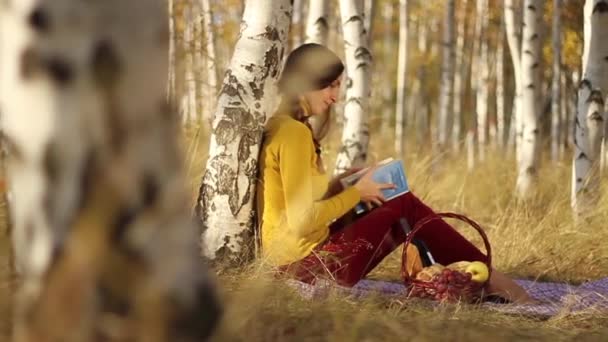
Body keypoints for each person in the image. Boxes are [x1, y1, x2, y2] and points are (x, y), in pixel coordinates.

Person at [256, 43, 536, 304]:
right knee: (403, 205)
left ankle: (478, 277)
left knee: (397, 200)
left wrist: (342, 183)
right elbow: (301, 220)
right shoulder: (293, 134)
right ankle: (488, 279)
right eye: (331, 85)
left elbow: (297, 199)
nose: (335, 97)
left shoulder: (285, 126)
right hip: (304, 269)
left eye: (338, 85)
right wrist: (357, 193)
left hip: (303, 258)